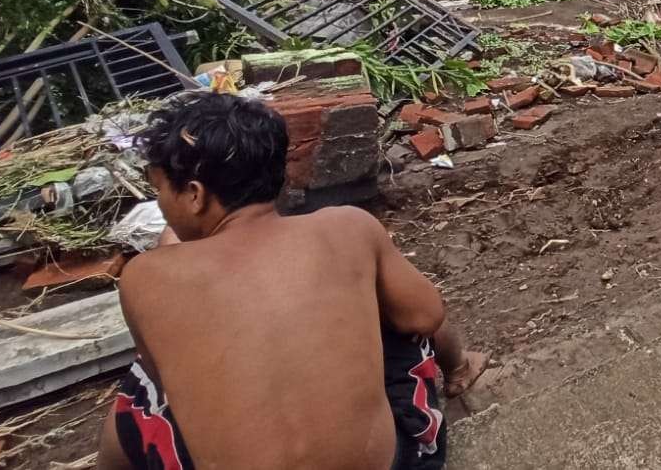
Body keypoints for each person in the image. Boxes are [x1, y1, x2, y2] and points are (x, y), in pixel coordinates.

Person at [96, 93, 486, 470]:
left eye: (160, 190)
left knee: (139, 391)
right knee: (405, 310)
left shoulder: (145, 276)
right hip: (398, 462)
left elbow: (166, 374)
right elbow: (426, 315)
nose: (161, 204)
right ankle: (460, 368)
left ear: (195, 195)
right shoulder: (348, 227)